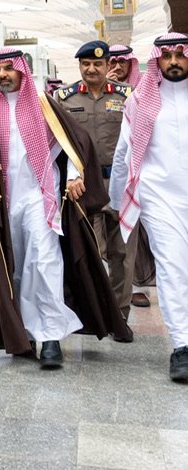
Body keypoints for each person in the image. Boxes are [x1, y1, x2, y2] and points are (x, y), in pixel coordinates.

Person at [0, 48, 131, 368]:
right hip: (4, 201)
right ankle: (24, 332)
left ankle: (50, 336)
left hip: (42, 197)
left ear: (22, 70)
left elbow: (75, 142)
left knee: (44, 260)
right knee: (17, 267)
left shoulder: (42, 104)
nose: (2, 76)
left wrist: (73, 175)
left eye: (9, 69)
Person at [109, 33, 188, 382]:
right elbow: (124, 154)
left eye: (180, 55)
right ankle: (182, 345)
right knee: (172, 270)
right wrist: (115, 201)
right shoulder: (140, 100)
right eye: (166, 55)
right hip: (159, 197)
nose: (173, 61)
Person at [55, 41, 136, 328]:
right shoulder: (64, 98)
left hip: (120, 181)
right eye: (86, 64)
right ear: (79, 66)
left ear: (107, 65)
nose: (92, 69)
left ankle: (119, 315)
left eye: (97, 64)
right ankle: (88, 312)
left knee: (123, 252)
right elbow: (56, 145)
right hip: (81, 183)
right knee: (85, 249)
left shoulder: (128, 96)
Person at [108, 43, 155, 307]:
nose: (116, 67)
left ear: (131, 64)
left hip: (141, 172)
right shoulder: (103, 91)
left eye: (121, 62)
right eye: (112, 62)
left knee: (139, 236)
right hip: (111, 173)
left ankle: (135, 285)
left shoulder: (143, 92)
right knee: (112, 236)